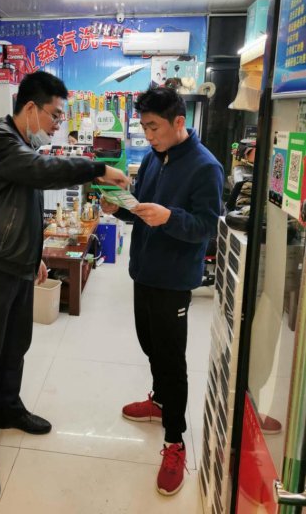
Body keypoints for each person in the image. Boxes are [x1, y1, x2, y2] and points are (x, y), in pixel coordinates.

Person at [0, 71, 128, 500]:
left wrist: (34, 254)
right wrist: (98, 168)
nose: (57, 125)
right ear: (31, 108)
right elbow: (41, 172)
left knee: (16, 345)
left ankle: (9, 409)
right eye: (54, 115)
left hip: (17, 265)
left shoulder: (23, 145)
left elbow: (24, 204)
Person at [101, 87, 223, 496]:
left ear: (178, 122)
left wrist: (170, 217)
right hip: (144, 271)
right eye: (144, 127)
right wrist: (121, 208)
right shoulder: (155, 158)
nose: (149, 135)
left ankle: (175, 440)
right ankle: (159, 401)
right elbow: (144, 211)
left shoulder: (206, 167)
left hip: (173, 279)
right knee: (150, 344)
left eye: (154, 127)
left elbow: (207, 227)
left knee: (171, 358)